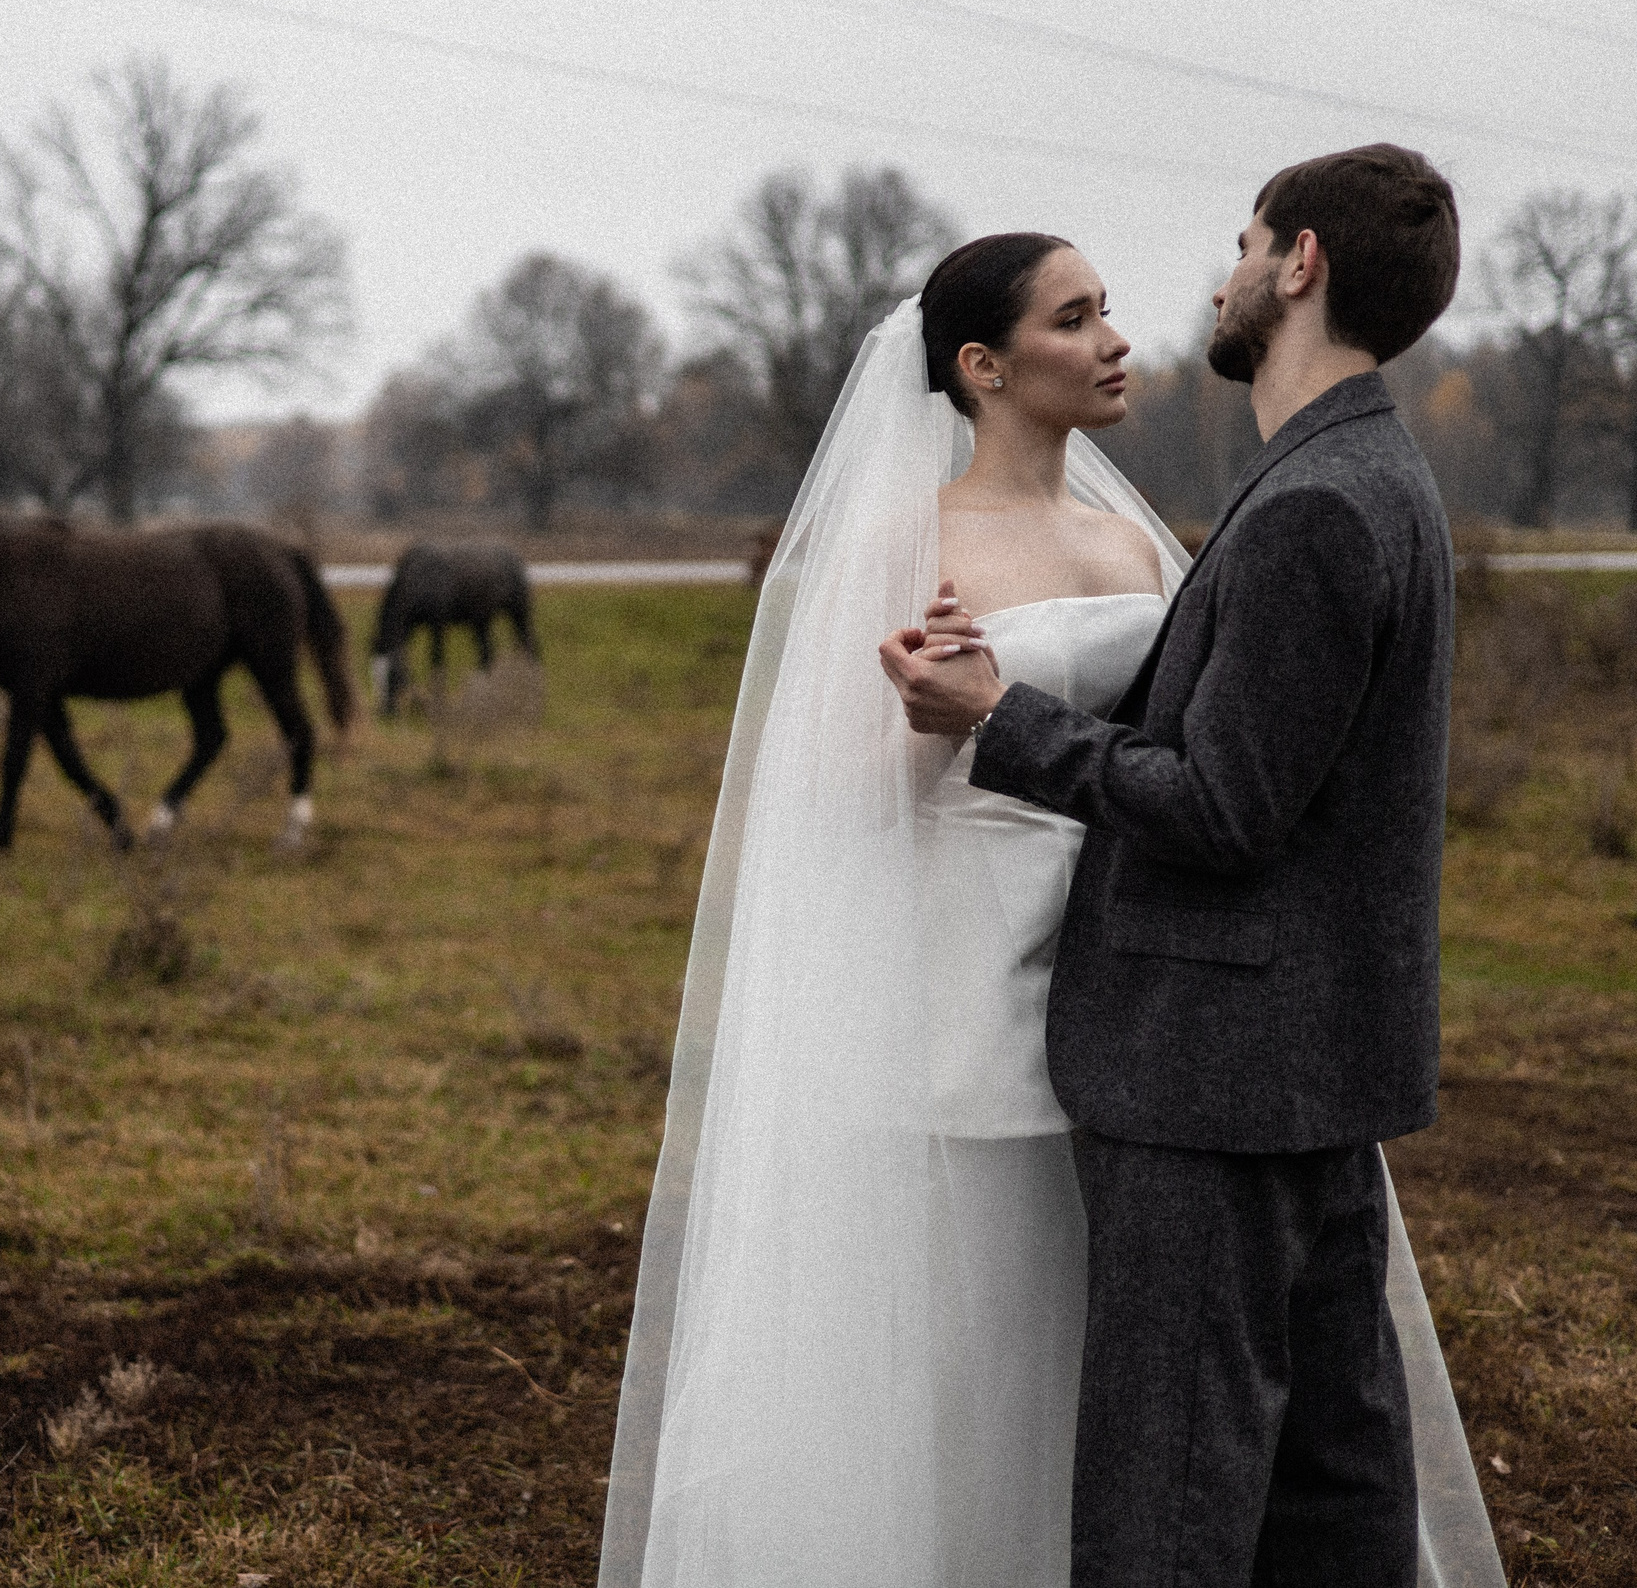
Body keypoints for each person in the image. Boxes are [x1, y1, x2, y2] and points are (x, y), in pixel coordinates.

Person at [601, 182, 1502, 1583]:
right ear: (982, 366)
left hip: (1146, 982)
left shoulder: (1141, 542)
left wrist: (1002, 715)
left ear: (1299, 265)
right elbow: (842, 797)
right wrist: (926, 713)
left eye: (1107, 312)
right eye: (1076, 318)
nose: (1117, 339)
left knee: (1140, 1367)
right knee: (980, 1332)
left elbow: (1202, 759)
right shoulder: (907, 546)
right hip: (972, 966)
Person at [878, 146, 1496, 1586]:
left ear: (1300, 267)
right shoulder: (1367, 475)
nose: (1207, 283)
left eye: (1242, 242)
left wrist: (998, 718)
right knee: (1332, 1479)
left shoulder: (1314, 509)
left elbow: (1224, 808)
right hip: (1312, 1056)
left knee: (1170, 1495)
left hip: (1214, 1065)